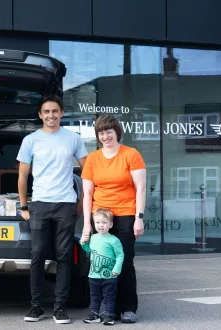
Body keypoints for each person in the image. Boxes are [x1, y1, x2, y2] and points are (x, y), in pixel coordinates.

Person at [17, 95, 88, 324]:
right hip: (39, 204)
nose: (51, 115)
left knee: (64, 256)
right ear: (40, 115)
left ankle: (60, 308)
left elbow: (88, 172)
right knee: (37, 254)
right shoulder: (31, 140)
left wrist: (81, 202)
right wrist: (24, 205)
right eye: (46, 111)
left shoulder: (73, 139)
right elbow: (23, 175)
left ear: (62, 113)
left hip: (66, 204)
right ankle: (36, 306)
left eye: (55, 111)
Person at [81, 114, 146, 324]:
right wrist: (86, 225)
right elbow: (87, 194)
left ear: (117, 132)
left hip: (126, 214)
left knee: (124, 260)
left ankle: (127, 308)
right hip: (100, 217)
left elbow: (141, 189)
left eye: (109, 131)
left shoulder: (131, 154)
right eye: (101, 133)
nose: (105, 136)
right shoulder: (93, 159)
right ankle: (106, 309)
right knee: (102, 261)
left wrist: (139, 218)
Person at [80, 208, 124, 326]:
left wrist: (116, 269)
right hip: (94, 274)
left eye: (104, 223)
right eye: (97, 222)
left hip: (109, 276)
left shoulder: (114, 240)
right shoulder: (93, 238)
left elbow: (120, 255)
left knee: (109, 296)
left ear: (111, 224)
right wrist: (83, 243)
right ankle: (94, 314)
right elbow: (90, 251)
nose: (100, 225)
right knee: (94, 296)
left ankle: (109, 315)